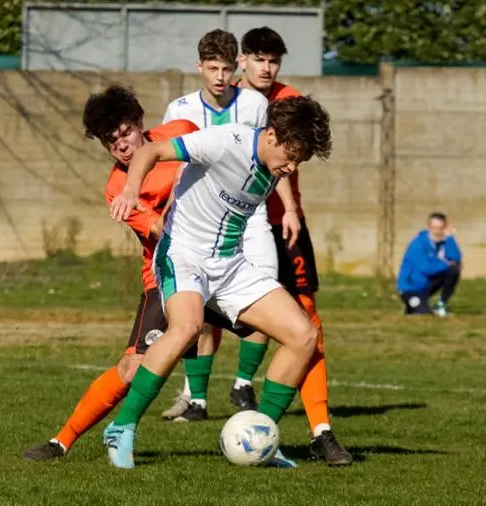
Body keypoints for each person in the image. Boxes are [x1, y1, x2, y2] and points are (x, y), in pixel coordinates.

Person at [103, 96, 332, 469]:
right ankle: (122, 427)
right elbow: (153, 151)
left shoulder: (274, 164)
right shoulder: (227, 141)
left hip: (230, 265)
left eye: (299, 162)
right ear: (271, 135)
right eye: (291, 157)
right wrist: (130, 190)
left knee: (303, 334)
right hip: (183, 253)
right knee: (188, 327)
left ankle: (261, 437)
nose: (291, 168)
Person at [177, 25, 350, 466]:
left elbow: (285, 170)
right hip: (223, 230)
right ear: (242, 63)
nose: (266, 67)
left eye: (273, 59)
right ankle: (200, 394)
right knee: (203, 316)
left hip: (280, 223)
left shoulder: (290, 102)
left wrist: (291, 209)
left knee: (307, 322)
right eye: (257, 58)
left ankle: (319, 429)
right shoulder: (224, 101)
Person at [21, 85, 205, 461]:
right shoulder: (118, 189)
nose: (122, 146)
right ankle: (62, 442)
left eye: (125, 133)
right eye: (111, 142)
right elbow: (161, 231)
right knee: (132, 367)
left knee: (293, 328)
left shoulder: (182, 130)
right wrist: (182, 191)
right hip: (167, 274)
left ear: (139, 123)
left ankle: (314, 431)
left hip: (220, 263)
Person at [159, 28, 302, 423]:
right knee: (198, 307)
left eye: (226, 68)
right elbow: (170, 163)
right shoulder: (180, 108)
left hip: (250, 214)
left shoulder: (256, 104)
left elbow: (275, 157)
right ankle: (197, 399)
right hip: (199, 215)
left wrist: (288, 208)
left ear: (235, 66)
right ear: (200, 67)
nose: (220, 76)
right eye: (213, 68)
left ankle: (242, 383)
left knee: (264, 292)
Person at [397, 212, 462, 317]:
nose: (437, 232)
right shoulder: (418, 244)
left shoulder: (444, 242)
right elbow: (426, 268)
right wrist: (446, 264)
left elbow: (456, 258)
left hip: (427, 285)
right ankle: (411, 305)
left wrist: (450, 237)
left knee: (454, 270)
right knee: (424, 313)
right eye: (434, 228)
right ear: (428, 227)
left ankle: (441, 304)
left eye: (440, 228)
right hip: (411, 288)